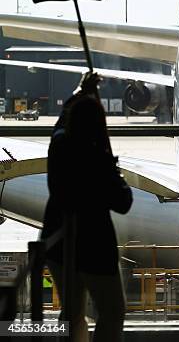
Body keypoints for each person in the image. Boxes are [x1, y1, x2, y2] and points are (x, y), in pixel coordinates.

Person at [41, 72, 133, 342]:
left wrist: (81, 90)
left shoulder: (59, 144)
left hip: (57, 240)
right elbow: (123, 203)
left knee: (71, 313)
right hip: (94, 244)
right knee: (112, 311)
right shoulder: (98, 161)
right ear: (98, 127)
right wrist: (115, 172)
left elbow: (63, 118)